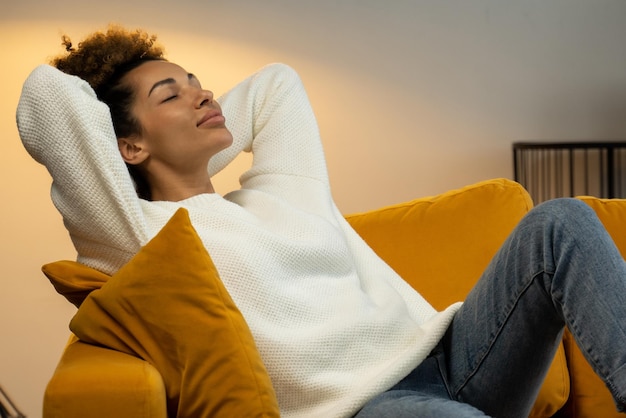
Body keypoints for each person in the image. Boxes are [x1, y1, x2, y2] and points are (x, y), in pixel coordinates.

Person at [16, 25, 626, 417]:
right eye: (170, 95)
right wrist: (145, 146)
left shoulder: (285, 188)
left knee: (561, 222)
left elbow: (276, 84)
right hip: (375, 406)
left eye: (198, 83)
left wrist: (189, 138)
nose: (204, 95)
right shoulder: (144, 237)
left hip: (458, 353)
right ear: (122, 147)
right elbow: (49, 99)